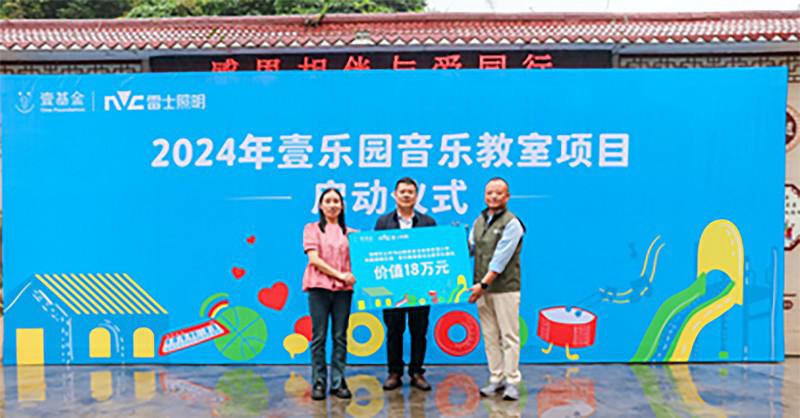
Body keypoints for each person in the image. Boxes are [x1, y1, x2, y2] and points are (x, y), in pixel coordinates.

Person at [374, 177, 437, 391]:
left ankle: (417, 372)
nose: (406, 195)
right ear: (395, 195)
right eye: (402, 191)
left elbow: (436, 254)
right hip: (392, 288)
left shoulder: (428, 222)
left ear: (416, 196)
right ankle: (395, 372)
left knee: (419, 331)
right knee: (394, 331)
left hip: (421, 288)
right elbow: (375, 254)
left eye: (410, 192)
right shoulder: (383, 223)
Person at [467, 177, 526, 401]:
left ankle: (512, 381)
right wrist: (449, 243)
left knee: (509, 335)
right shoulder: (479, 221)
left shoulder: (512, 224)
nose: (493, 196)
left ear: (507, 196)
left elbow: (500, 260)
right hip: (482, 289)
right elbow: (470, 249)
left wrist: (482, 285)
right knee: (490, 335)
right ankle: (496, 378)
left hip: (504, 289)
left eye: (498, 193)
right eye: (489, 192)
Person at [302, 187, 356, 401]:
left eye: (336, 201)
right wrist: (340, 275)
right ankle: (318, 381)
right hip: (319, 288)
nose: (332, 205)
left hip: (343, 292)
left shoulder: (351, 234)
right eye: (328, 201)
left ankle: (338, 381)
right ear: (321, 206)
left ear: (342, 206)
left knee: (340, 336)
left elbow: (369, 256)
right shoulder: (311, 229)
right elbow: (314, 259)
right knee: (319, 337)